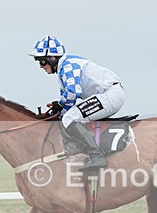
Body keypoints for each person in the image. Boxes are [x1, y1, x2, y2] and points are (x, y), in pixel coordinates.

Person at [29, 35, 125, 172]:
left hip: (110, 95)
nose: (40, 66)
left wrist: (60, 104)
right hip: (106, 95)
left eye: (42, 61)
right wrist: (59, 110)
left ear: (52, 58)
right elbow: (69, 103)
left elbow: (73, 92)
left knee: (70, 118)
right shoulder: (63, 69)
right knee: (66, 117)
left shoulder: (68, 65)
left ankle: (97, 156)